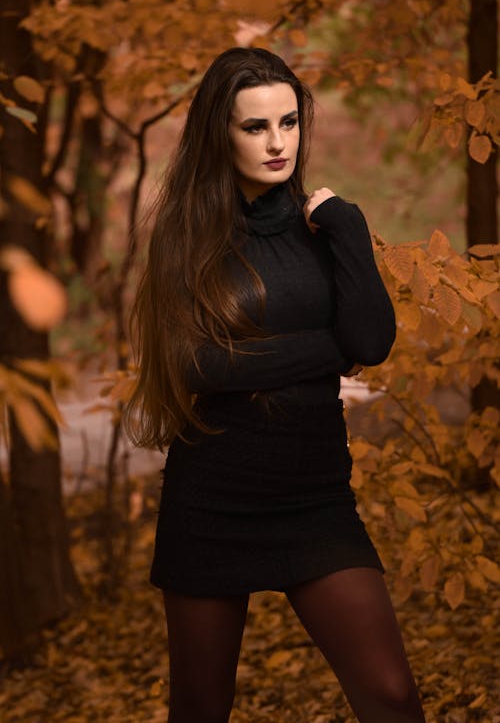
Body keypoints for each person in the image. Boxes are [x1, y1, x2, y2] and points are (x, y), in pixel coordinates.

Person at [125, 47, 426, 723]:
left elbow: (371, 343)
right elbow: (197, 366)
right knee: (201, 709)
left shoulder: (325, 226)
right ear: (218, 132)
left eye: (288, 123)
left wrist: (350, 228)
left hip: (315, 496)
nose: (276, 142)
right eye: (255, 126)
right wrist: (326, 352)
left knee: (393, 695)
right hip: (214, 499)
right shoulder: (186, 233)